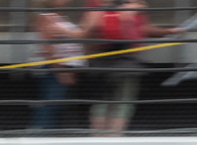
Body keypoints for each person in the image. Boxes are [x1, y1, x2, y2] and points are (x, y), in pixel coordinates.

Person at [73, 0, 183, 135]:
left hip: (102, 63)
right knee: (124, 102)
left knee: (102, 101)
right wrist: (169, 31)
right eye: (141, 3)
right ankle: (115, 135)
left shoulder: (102, 10)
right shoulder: (131, 12)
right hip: (126, 64)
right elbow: (145, 29)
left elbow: (90, 31)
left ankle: (98, 136)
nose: (143, 6)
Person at [30, 0, 86, 130]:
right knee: (51, 104)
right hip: (53, 69)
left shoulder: (60, 18)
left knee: (57, 104)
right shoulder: (46, 18)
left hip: (64, 67)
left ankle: (48, 135)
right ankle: (38, 135)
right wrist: (60, 71)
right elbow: (47, 47)